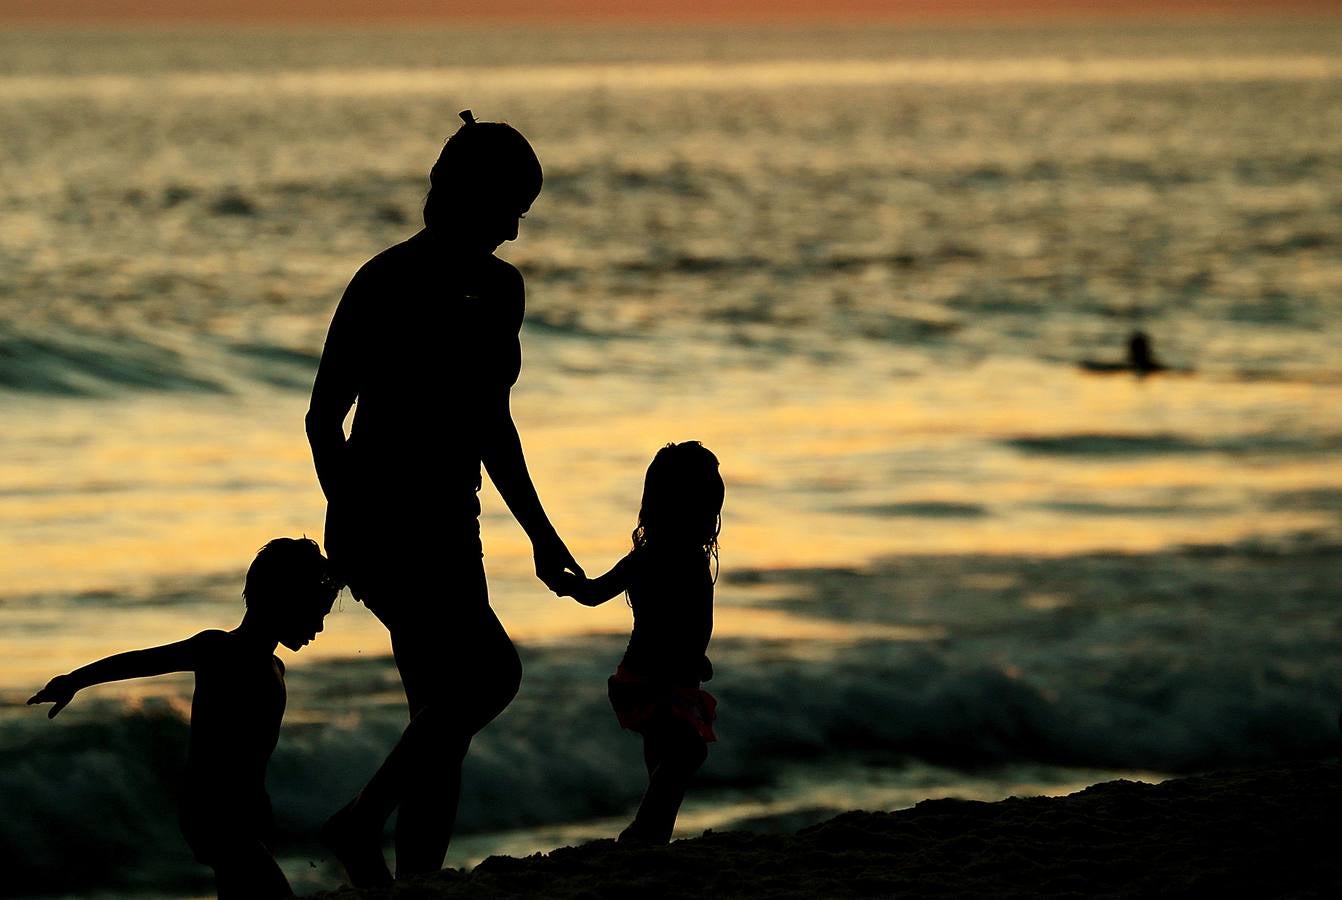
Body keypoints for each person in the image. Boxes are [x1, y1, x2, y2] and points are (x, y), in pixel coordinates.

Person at [306, 110, 583, 885]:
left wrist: (540, 532)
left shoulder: (501, 291)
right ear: (465, 196)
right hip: (383, 522)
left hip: (455, 524)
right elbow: (324, 417)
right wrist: (350, 517)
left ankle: (416, 880)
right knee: (488, 679)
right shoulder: (385, 281)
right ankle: (360, 822)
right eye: (509, 213)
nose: (515, 234)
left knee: (439, 715)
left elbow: (492, 423)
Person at [27, 537, 339, 900]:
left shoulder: (275, 667)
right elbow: (144, 660)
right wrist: (75, 680)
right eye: (315, 612)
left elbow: (252, 756)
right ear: (283, 599)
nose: (318, 627)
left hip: (243, 818)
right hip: (213, 816)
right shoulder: (221, 650)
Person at [557, 441, 723, 844]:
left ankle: (654, 838)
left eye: (713, 510)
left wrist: (697, 657)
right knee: (687, 752)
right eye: (704, 509)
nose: (711, 521)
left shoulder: (688, 558)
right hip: (650, 677)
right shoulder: (652, 557)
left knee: (664, 760)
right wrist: (567, 582)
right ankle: (643, 832)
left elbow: (693, 621)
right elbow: (596, 593)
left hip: (676, 678)